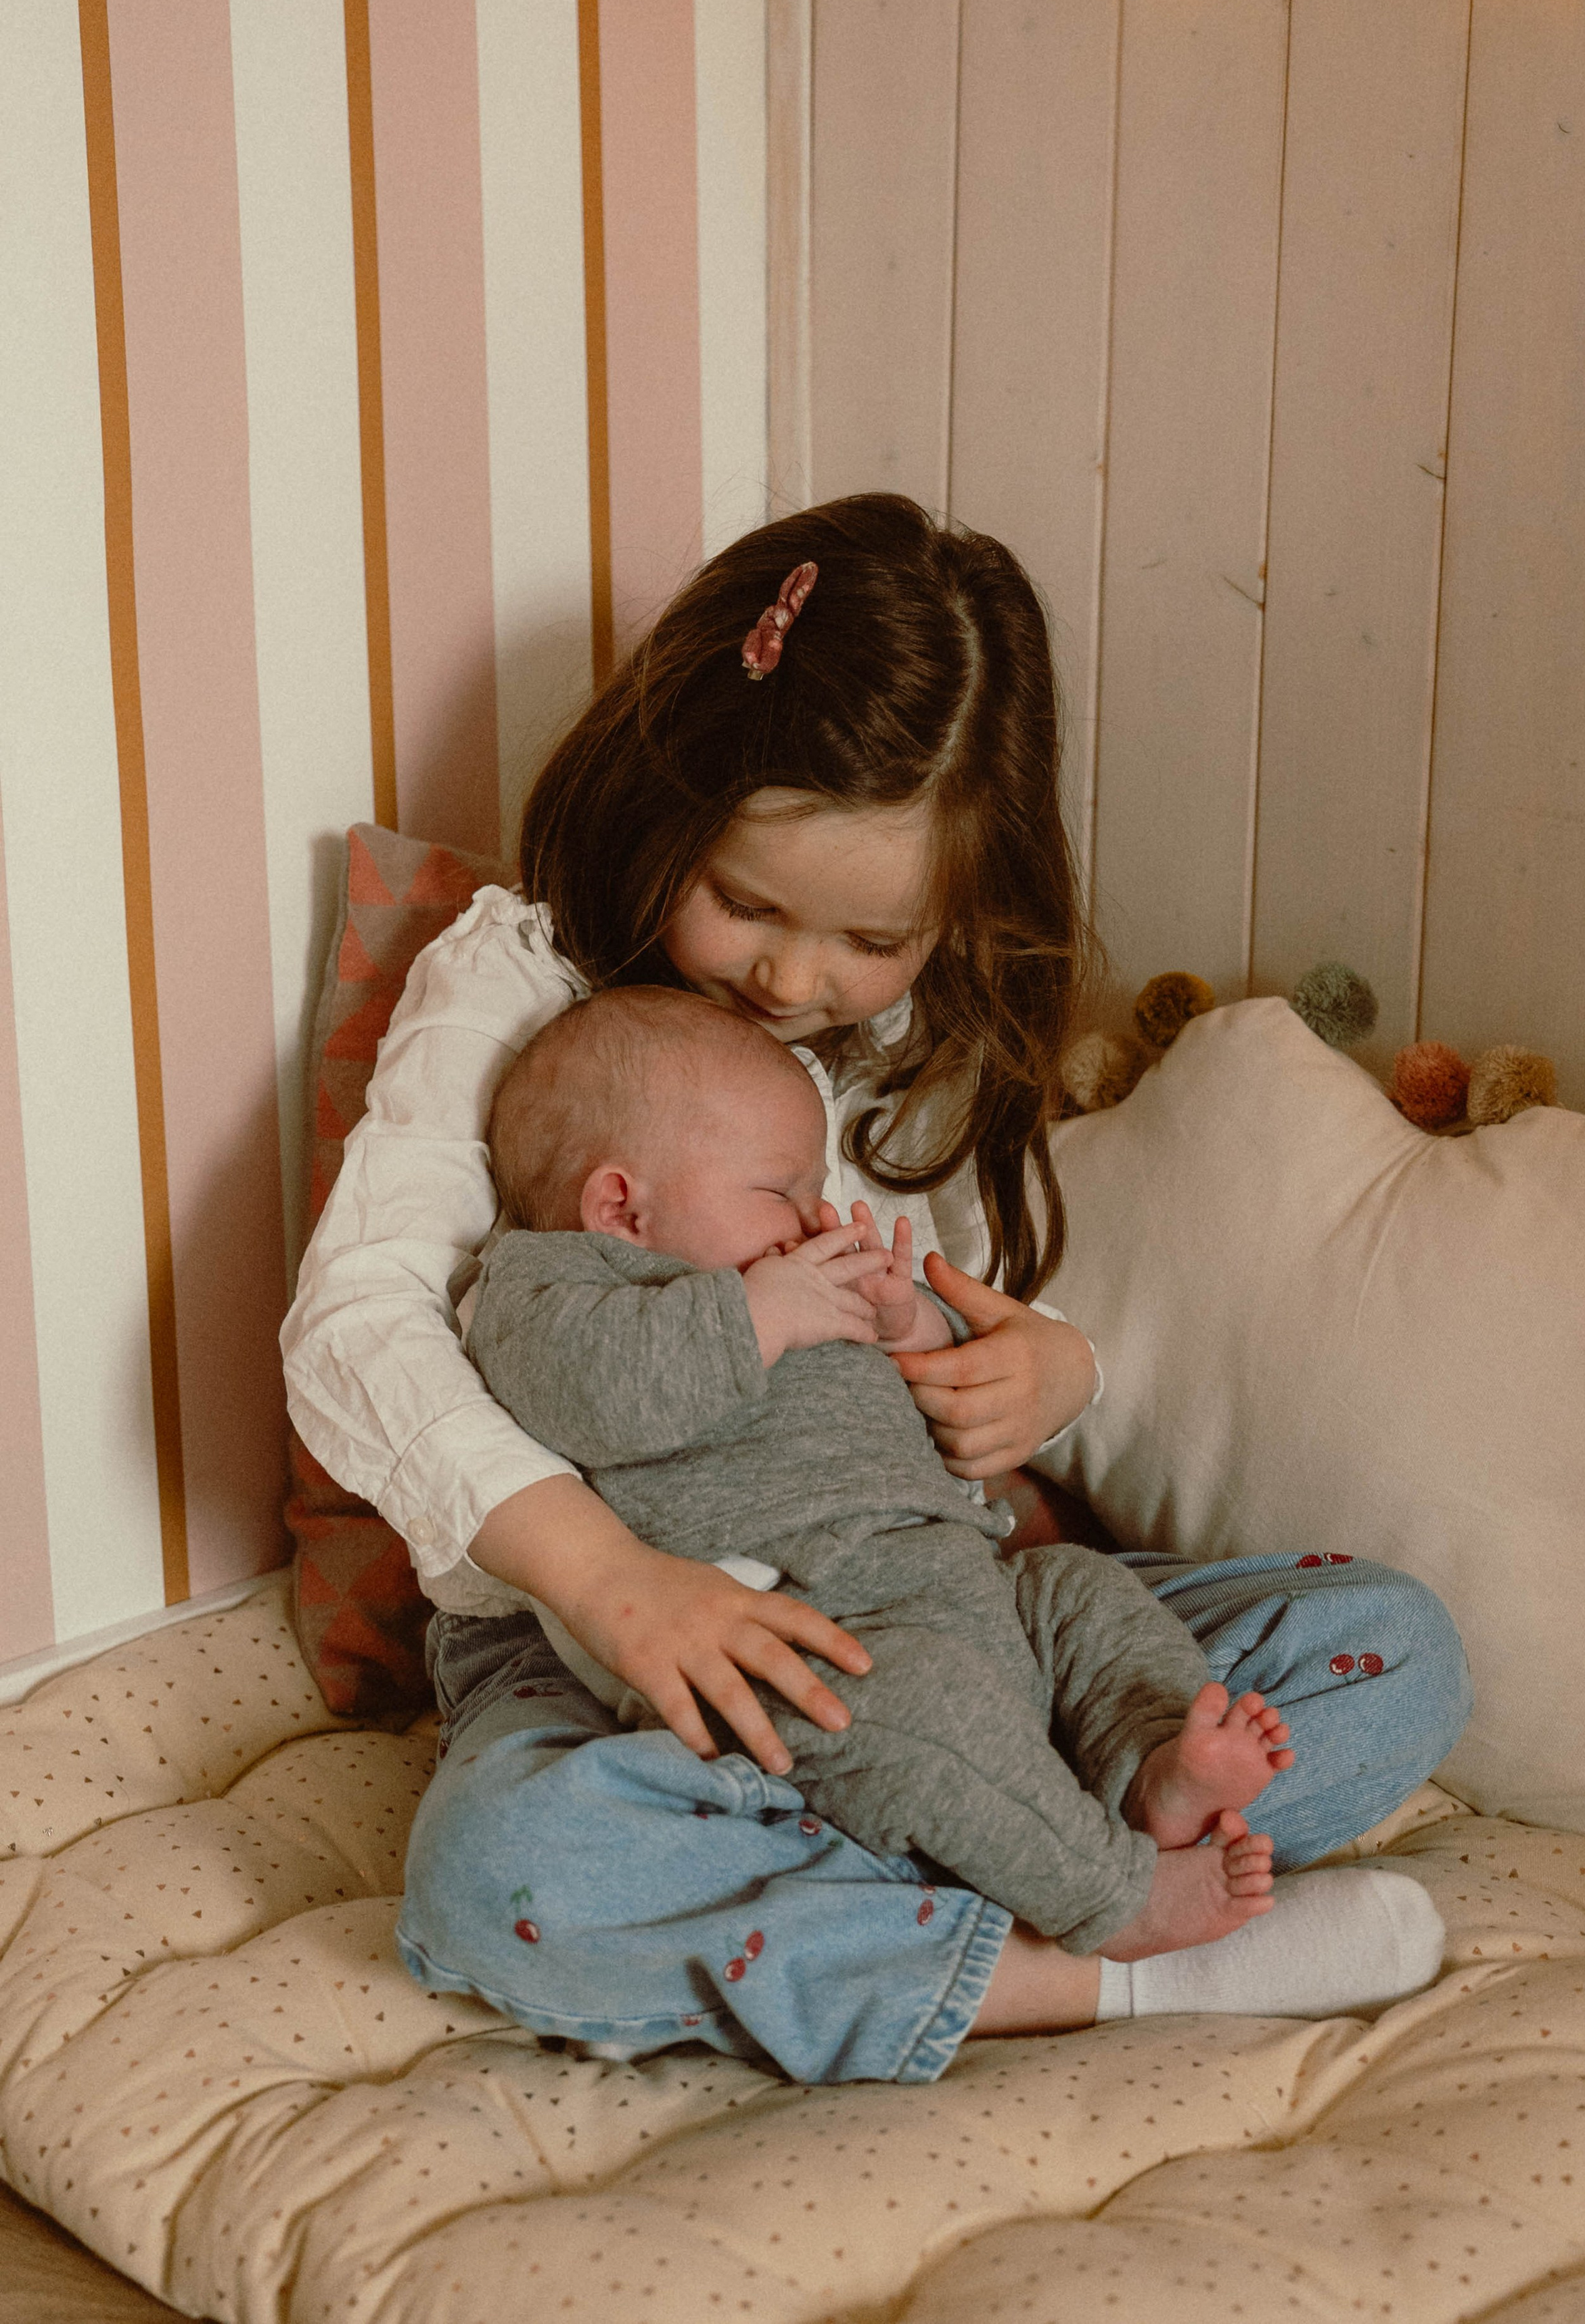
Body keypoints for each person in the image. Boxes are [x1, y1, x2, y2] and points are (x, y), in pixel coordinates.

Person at [283, 493, 1467, 2081]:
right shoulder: (520, 988)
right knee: (503, 1876)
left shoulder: (901, 1048)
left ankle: (946, 1876)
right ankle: (1092, 1963)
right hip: (649, 1671)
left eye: (866, 938)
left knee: (1392, 1649)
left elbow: (923, 1314)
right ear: (670, 797)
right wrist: (618, 1585)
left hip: (949, 1614)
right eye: (749, 904)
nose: (790, 981)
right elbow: (360, 1329)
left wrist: (1046, 1373)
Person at [468, 984, 1289, 1963]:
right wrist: (759, 1314)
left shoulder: (790, 1266)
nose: (816, 1214)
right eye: (779, 1189)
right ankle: (1111, 1900)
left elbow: (926, 1396)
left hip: (972, 1583)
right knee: (923, 1717)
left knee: (1086, 1595)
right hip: (820, 1635)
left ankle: (1152, 1772)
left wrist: (907, 1325)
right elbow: (600, 1398)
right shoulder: (548, 1286)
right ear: (621, 1206)